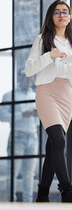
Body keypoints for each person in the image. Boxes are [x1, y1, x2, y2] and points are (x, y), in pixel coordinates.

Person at [24, 0, 72, 203]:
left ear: (70, 17)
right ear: (51, 16)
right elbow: (29, 69)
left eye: (65, 12)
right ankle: (66, 189)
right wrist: (50, 55)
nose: (62, 15)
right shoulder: (42, 39)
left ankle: (42, 194)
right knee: (59, 140)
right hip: (47, 92)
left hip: (66, 95)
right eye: (57, 12)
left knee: (53, 146)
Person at [0, 69, 39, 202]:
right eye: (26, 78)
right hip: (17, 137)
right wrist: (22, 114)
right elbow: (2, 116)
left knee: (29, 175)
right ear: (19, 78)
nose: (28, 81)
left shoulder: (35, 95)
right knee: (13, 173)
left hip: (33, 137)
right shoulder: (9, 96)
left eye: (30, 79)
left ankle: (28, 205)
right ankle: (11, 203)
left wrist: (37, 114)